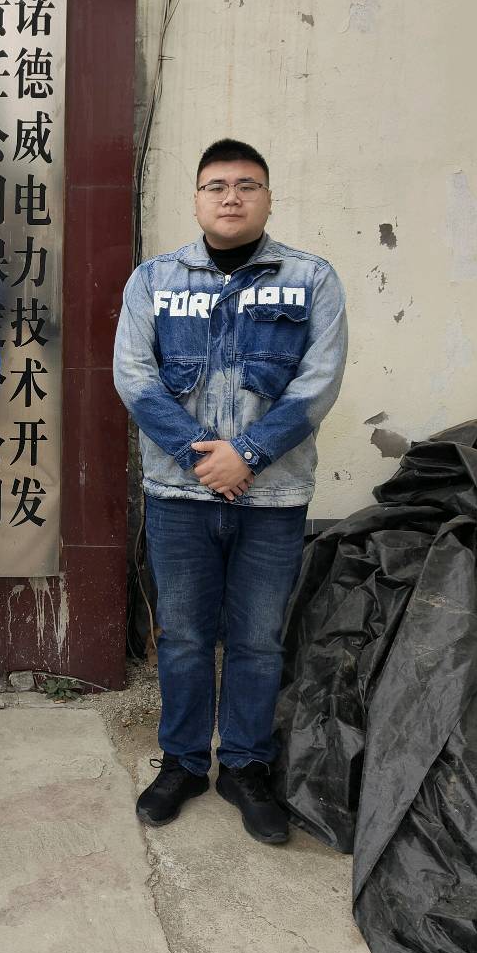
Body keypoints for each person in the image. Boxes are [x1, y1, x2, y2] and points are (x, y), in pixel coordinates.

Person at [113, 139, 347, 844]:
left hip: (273, 499)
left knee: (257, 640)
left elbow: (318, 384)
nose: (232, 197)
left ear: (268, 198)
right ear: (196, 200)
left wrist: (247, 453)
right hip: (178, 498)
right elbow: (134, 378)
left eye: (247, 185)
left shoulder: (311, 279)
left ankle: (245, 766)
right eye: (217, 186)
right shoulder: (154, 280)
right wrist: (200, 456)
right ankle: (183, 762)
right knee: (184, 637)